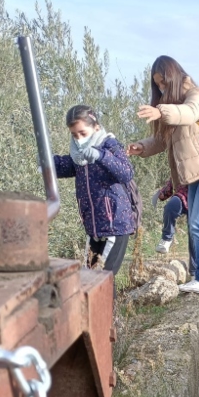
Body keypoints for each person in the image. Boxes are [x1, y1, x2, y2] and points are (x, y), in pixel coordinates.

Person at [128, 56, 199, 295]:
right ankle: (197, 276)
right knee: (194, 224)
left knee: (197, 224)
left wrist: (161, 111)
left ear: (173, 77)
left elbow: (190, 112)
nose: (161, 88)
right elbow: (162, 140)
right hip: (195, 175)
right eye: (157, 84)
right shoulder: (172, 105)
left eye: (163, 82)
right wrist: (141, 147)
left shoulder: (195, 94)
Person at [53, 104, 135, 277]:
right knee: (88, 278)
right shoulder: (79, 154)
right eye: (74, 135)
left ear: (96, 127)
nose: (79, 138)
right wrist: (46, 162)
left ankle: (106, 305)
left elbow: (126, 172)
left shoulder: (109, 145)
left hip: (115, 225)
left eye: (83, 133)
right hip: (94, 228)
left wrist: (101, 156)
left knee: (104, 280)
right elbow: (68, 166)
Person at [152, 179, 188, 254]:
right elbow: (173, 179)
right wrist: (161, 193)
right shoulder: (180, 167)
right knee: (170, 207)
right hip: (183, 195)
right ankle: (166, 239)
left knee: (196, 229)